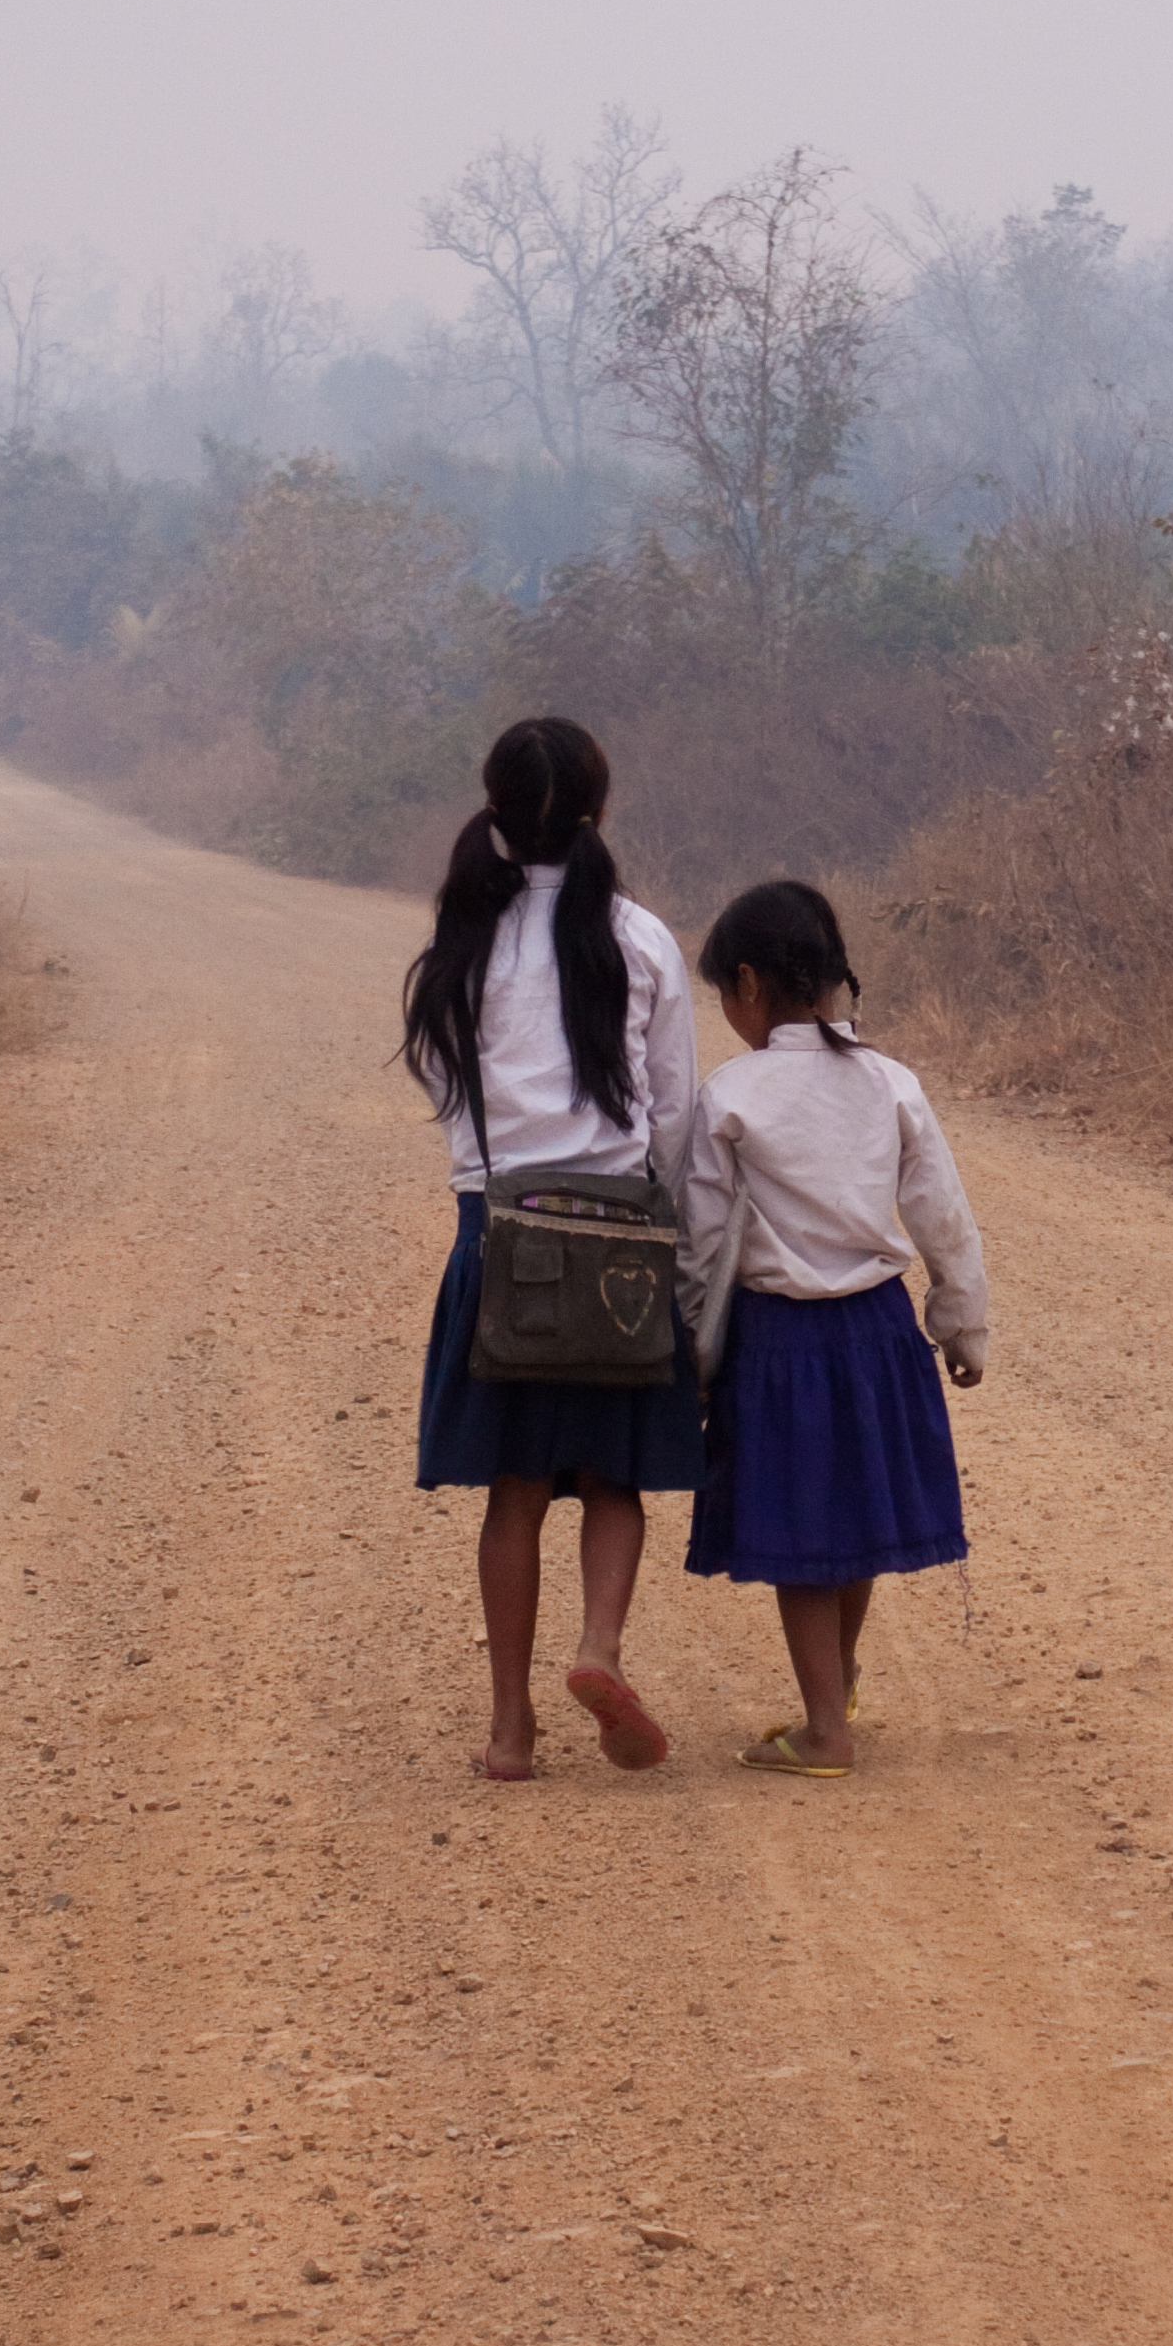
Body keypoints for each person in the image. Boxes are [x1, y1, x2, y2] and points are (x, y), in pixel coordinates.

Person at [401, 718, 704, 1781]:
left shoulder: (459, 945)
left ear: (492, 809)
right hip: (619, 1230)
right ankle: (600, 1648)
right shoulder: (643, 938)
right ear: (598, 810)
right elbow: (674, 1113)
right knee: (612, 1476)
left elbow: (445, 1093)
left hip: (502, 1232)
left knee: (517, 1487)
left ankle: (508, 1729)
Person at [676, 878, 989, 1779]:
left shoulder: (730, 1094)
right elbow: (942, 1214)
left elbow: (703, 1244)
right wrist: (961, 1325)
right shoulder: (892, 1082)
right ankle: (837, 1682)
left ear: (746, 983)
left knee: (801, 1536)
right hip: (882, 1334)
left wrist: (695, 1352)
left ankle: (825, 1730)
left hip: (780, 1342)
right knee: (855, 1515)